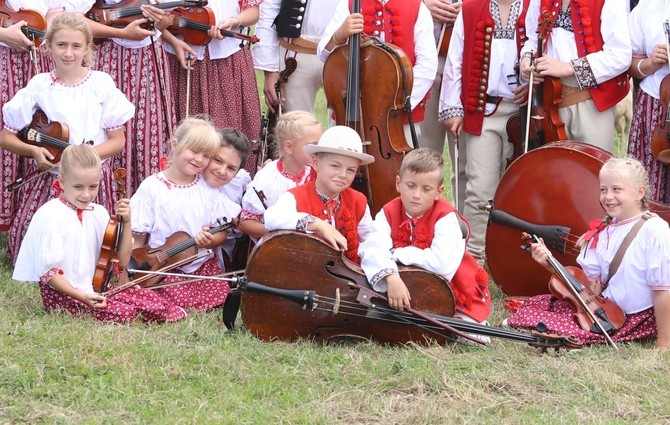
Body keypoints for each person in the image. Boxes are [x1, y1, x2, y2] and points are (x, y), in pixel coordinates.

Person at [0, 12, 135, 264]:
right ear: (48, 46)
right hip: (53, 178)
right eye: (61, 45)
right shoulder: (40, 85)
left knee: (94, 254)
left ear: (87, 48)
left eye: (76, 46)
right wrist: (34, 152)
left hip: (91, 181)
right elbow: (6, 137)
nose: (68, 53)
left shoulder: (100, 84)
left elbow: (118, 141)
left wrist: (82, 158)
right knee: (39, 255)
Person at [506, 157, 670, 348]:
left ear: (639, 192)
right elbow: (592, 291)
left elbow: (663, 290)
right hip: (607, 309)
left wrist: (664, 345)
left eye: (617, 189)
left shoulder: (655, 231)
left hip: (636, 316)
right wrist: (549, 263)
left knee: (547, 323)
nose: (608, 197)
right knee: (536, 305)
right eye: (603, 189)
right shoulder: (605, 231)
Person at [12, 144, 186, 323]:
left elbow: (124, 259)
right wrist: (82, 296)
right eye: (78, 187)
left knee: (153, 302)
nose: (86, 195)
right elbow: (48, 274)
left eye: (92, 187)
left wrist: (126, 222)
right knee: (125, 313)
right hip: (64, 294)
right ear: (62, 182)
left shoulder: (98, 212)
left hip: (95, 288)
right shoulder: (51, 215)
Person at [439, 0, 530, 264]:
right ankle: (474, 256)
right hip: (484, 110)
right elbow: (455, 62)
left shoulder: (534, 6)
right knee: (479, 186)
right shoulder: (470, 8)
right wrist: (452, 107)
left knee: (519, 186)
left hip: (522, 110)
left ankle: (512, 256)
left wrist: (533, 83)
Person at [358, 148, 490, 328]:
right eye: (410, 185)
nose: (416, 195)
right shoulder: (388, 212)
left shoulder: (445, 217)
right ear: (398, 183)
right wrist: (391, 278)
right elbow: (372, 247)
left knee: (461, 329)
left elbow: (441, 265)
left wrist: (398, 253)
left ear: (439, 191)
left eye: (426, 189)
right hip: (403, 283)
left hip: (451, 285)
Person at [130, 117, 241, 311]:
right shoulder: (153, 187)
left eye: (206, 155)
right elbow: (137, 237)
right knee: (147, 293)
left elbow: (222, 232)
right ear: (175, 145)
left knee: (219, 291)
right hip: (161, 266)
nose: (199, 159)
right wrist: (132, 268)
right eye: (194, 151)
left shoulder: (207, 189)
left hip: (197, 266)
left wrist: (210, 239)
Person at [162, 0, 263, 175]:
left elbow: (253, 11)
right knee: (187, 134)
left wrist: (235, 20)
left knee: (228, 132)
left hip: (229, 59)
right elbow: (153, 14)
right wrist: (172, 38)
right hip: (181, 55)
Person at [316, 0, 438, 144]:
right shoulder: (348, 4)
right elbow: (324, 54)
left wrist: (398, 102)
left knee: (402, 164)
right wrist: (338, 36)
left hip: (398, 114)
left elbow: (427, 66)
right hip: (353, 109)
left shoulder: (417, 7)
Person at [519, 0, 631, 153]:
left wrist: (569, 67)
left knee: (592, 170)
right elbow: (532, 39)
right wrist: (526, 60)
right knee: (551, 171)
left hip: (591, 100)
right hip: (548, 99)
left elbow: (620, 55)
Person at [91, 1, 177, 196]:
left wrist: (159, 20)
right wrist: (121, 33)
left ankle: (149, 198)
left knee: (148, 128)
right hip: (107, 54)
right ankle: (109, 197)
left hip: (147, 58)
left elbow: (166, 22)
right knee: (109, 126)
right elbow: (73, 20)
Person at [264, 125, 374, 263]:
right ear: (315, 163)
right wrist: (318, 224)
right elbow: (271, 219)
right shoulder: (294, 197)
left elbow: (370, 240)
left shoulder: (358, 200)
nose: (343, 175)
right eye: (335, 166)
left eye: (351, 170)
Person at [239, 110, 321, 241]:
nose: (318, 150)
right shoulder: (267, 178)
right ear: (289, 147)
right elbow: (246, 223)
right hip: (276, 250)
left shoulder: (317, 173)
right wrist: (280, 229)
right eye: (313, 145)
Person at [253, 0, 340, 114]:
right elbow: (269, 6)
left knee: (349, 128)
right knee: (293, 125)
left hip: (343, 52)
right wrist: (270, 69)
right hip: (295, 53)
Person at [421, 0, 466, 212]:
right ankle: (419, 222)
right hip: (423, 64)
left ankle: (463, 226)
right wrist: (421, 5)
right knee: (423, 152)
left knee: (465, 159)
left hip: (466, 69)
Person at [626, 0, 670, 203]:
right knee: (650, 186)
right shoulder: (647, 7)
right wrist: (652, 63)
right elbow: (630, 65)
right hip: (656, 107)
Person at [201, 127, 251, 272]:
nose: (222, 171)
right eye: (217, 160)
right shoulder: (190, 183)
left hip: (213, 256)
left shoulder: (240, 183)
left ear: (237, 172)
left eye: (231, 168)